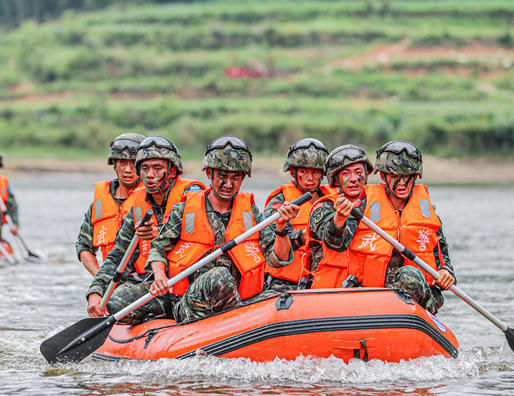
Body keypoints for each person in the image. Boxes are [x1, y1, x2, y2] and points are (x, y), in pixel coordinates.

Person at [141, 136, 299, 324]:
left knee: (285, 292)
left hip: (240, 300)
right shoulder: (184, 209)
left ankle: (243, 321)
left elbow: (278, 260)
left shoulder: (252, 212)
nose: (229, 184)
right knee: (219, 275)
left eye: (236, 178)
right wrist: (159, 275)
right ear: (209, 174)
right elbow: (158, 249)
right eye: (222, 177)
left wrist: (281, 228)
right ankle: (240, 321)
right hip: (193, 302)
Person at [305, 142, 454, 314]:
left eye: (407, 176)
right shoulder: (359, 206)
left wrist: (445, 272)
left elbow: (442, 258)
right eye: (394, 176)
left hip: (409, 294)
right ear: (383, 177)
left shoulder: (426, 213)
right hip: (353, 294)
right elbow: (338, 242)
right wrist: (339, 218)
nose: (402, 182)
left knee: (410, 276)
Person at [86, 136, 205, 317]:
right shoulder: (139, 205)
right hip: (155, 284)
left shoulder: (192, 195)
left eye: (157, 168)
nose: (150, 174)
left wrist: (160, 232)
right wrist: (96, 291)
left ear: (172, 171)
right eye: (145, 168)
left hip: (191, 281)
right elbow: (119, 255)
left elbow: (199, 233)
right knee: (115, 303)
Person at [262, 138, 336, 292]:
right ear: (293, 172)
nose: (310, 178)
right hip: (285, 284)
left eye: (315, 172)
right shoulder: (279, 202)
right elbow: (275, 258)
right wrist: (286, 228)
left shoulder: (334, 199)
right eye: (304, 171)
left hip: (326, 282)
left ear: (322, 173)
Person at [75, 133, 144, 276]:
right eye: (122, 163)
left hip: (146, 280)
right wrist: (100, 279)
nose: (128, 170)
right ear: (114, 164)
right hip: (112, 280)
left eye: (133, 163)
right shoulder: (99, 204)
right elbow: (84, 246)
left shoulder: (154, 199)